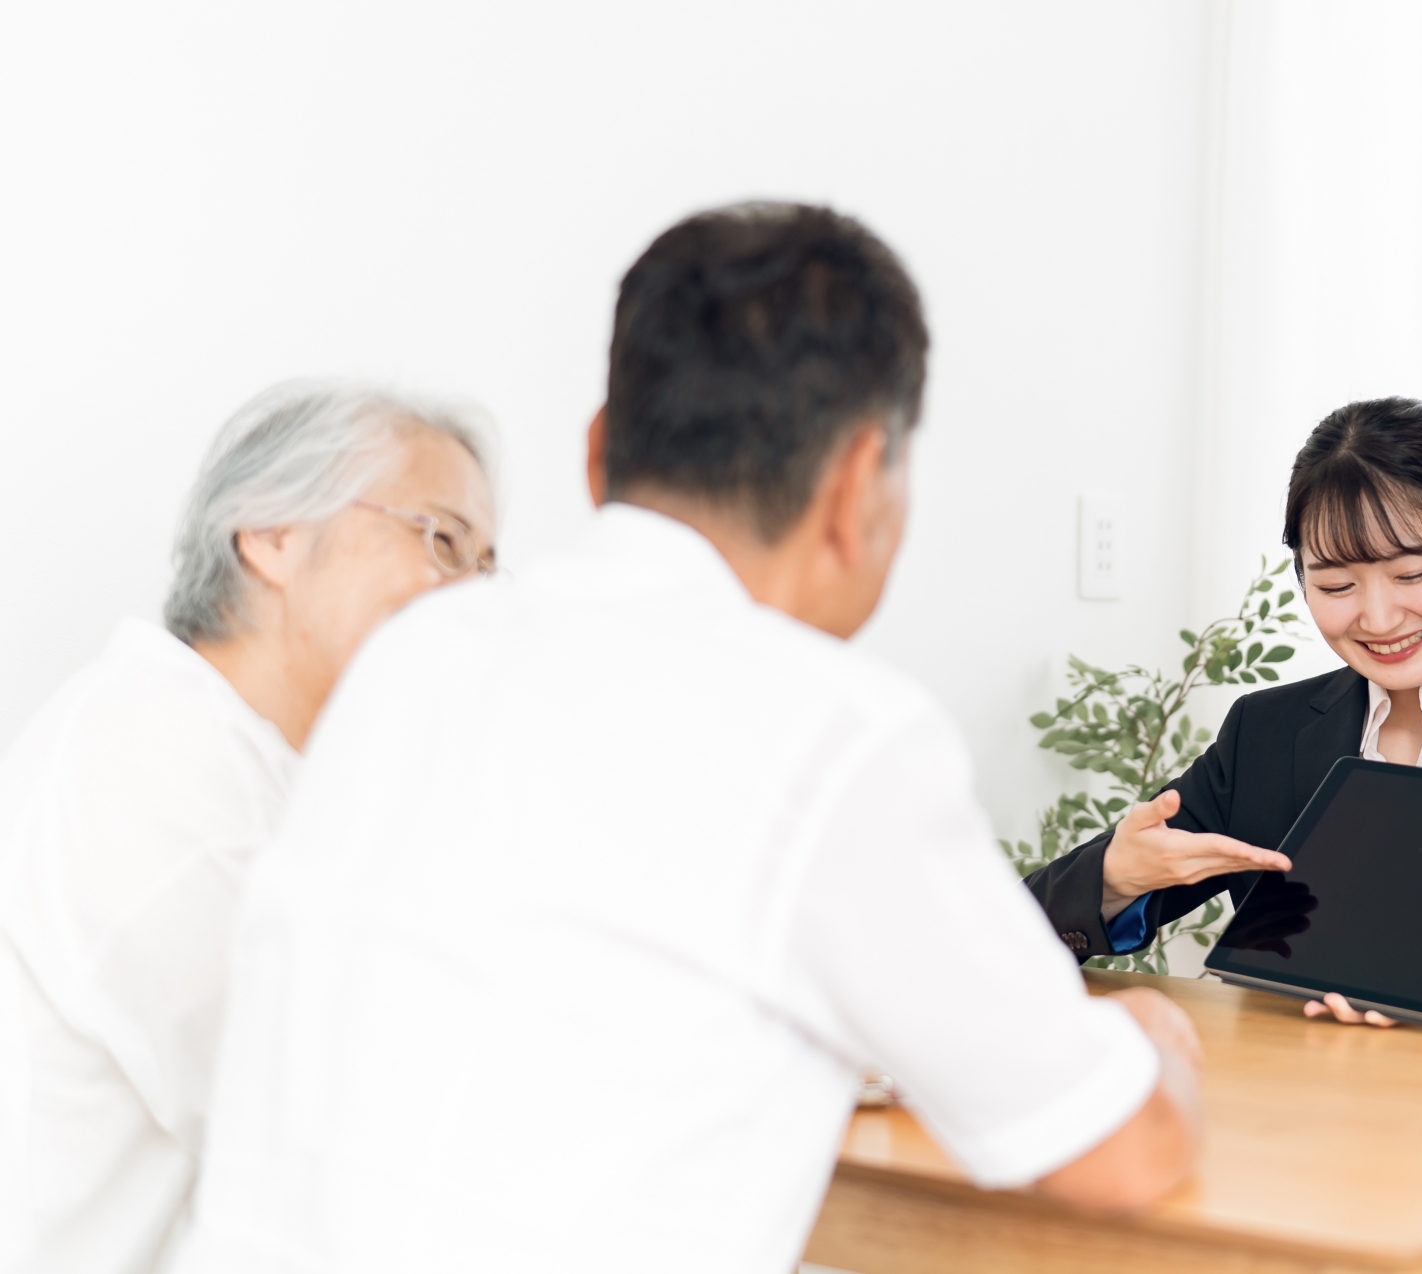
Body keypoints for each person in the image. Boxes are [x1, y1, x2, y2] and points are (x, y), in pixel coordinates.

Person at [178, 203, 1202, 1274]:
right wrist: (1153, 1044)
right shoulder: (834, 732)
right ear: (859, 486)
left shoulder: (416, 658)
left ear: (595, 451)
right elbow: (1119, 1155)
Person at [0, 383, 498, 1274]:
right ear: (272, 534)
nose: (476, 600)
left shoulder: (268, 777)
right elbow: (344, 1137)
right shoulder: (148, 754)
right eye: (444, 541)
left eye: (487, 568)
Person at [1024, 397, 1422, 1026]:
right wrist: (1111, 881)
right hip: (1297, 1118)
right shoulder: (1266, 734)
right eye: (1336, 585)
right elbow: (1011, 930)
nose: (1376, 618)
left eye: (1410, 576)